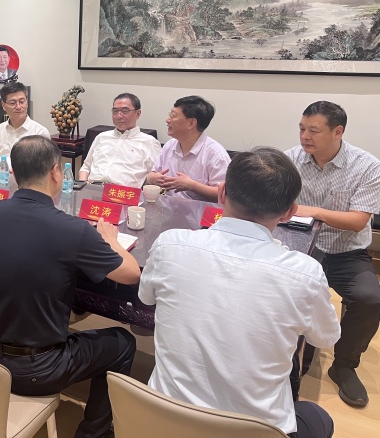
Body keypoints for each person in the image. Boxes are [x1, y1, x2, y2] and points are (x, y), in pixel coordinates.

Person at [139, 147, 340, 438]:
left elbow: (146, 297)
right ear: (289, 212)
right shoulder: (305, 274)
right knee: (317, 417)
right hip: (252, 431)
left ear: (221, 193)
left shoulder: (170, 244)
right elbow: (325, 338)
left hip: (162, 418)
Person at [0, 135, 141, 438]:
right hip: (37, 370)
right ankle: (93, 433)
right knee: (123, 342)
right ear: (55, 172)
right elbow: (131, 274)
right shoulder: (73, 229)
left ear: (14, 173)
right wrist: (112, 241)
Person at [286, 101, 380, 408]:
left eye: (314, 130)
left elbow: (357, 221)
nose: (305, 136)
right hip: (301, 246)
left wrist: (313, 211)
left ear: (338, 132)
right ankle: (295, 358)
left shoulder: (366, 166)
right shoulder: (291, 159)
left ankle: (344, 365)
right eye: (302, 128)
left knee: (369, 299)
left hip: (345, 251)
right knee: (286, 290)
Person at [146, 95, 230, 202]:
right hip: (167, 207)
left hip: (199, 211)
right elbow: (154, 173)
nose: (167, 120)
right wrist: (152, 178)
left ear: (191, 123)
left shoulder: (216, 154)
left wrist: (192, 186)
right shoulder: (169, 145)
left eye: (173, 116)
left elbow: (224, 194)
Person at [79, 93, 161, 188]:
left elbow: (154, 176)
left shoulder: (149, 142)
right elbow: (86, 167)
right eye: (115, 111)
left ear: (138, 113)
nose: (119, 116)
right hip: (93, 189)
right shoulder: (102, 137)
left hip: (123, 193)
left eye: (125, 111)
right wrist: (83, 185)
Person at [0, 82, 50, 168]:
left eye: (22, 102)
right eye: (12, 103)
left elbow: (45, 167)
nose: (18, 107)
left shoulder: (40, 132)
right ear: (3, 105)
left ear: (27, 102)